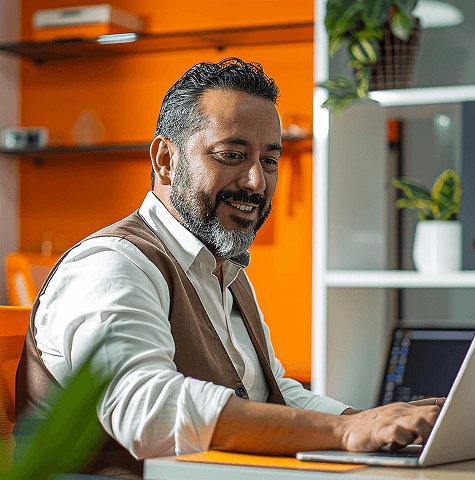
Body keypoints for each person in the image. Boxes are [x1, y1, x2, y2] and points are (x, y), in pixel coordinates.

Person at [15, 58, 443, 479]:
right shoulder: (110, 266)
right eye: (232, 155)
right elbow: (149, 411)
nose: (256, 181)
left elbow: (273, 393)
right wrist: (345, 431)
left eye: (270, 161)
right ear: (165, 160)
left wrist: (377, 424)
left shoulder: (227, 273)